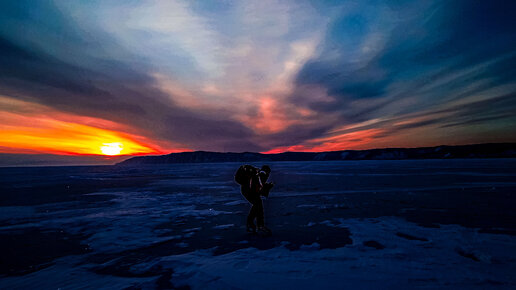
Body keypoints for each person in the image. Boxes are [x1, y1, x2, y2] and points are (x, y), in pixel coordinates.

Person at [238, 165, 273, 234]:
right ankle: (258, 225)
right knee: (258, 206)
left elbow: (259, 185)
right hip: (249, 192)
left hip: (248, 191)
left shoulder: (259, 174)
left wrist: (267, 186)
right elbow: (257, 186)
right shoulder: (261, 174)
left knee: (257, 206)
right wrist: (267, 187)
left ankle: (252, 224)